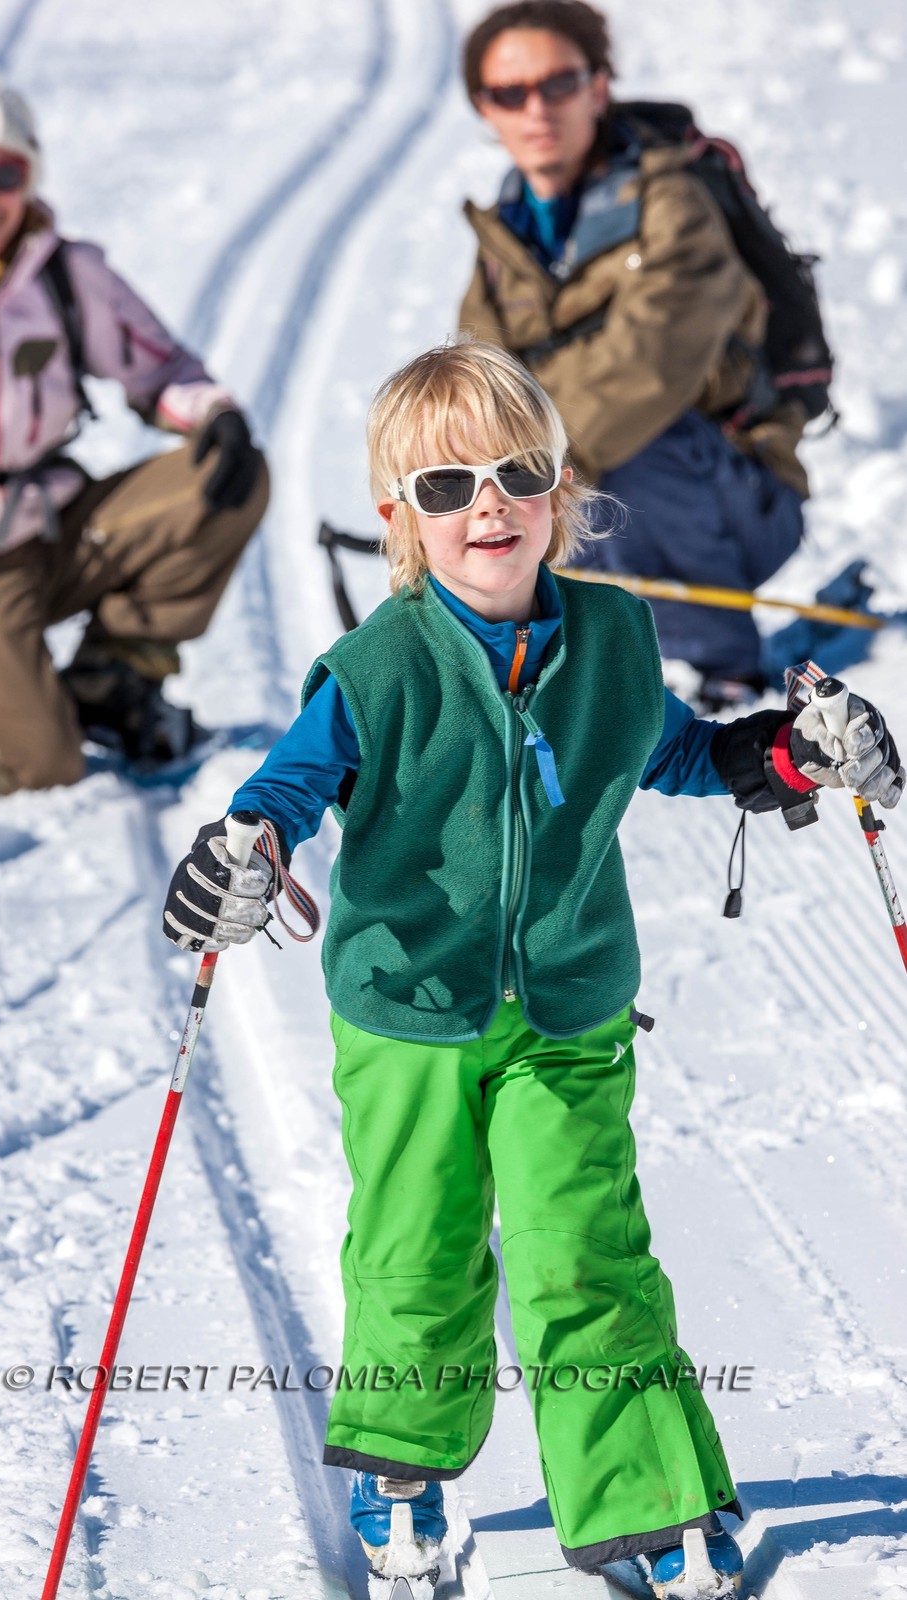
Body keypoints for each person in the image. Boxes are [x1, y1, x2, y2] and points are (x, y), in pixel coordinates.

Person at [158, 340, 902, 1592]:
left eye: (515, 471)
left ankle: (646, 1496)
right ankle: (400, 1462)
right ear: (400, 518)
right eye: (445, 486)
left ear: (560, 488)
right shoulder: (376, 669)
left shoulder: (609, 637)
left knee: (582, 1251)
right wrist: (247, 845)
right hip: (408, 1012)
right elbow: (288, 784)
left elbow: (675, 751)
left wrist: (793, 752)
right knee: (417, 1246)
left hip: (566, 1010)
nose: (486, 504)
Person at [0, 55, 268, 791]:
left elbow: (164, 369)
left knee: (230, 478)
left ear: (28, 176)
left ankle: (112, 678)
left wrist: (214, 415)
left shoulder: (66, 276)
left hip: (49, 525)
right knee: (38, 763)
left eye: (3, 173)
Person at [458, 0, 809, 708]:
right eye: (510, 93)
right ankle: (559, 665)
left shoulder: (673, 204)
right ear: (485, 109)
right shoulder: (504, 243)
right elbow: (479, 393)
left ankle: (718, 667)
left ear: (597, 87)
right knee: (498, 473)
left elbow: (645, 372)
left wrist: (519, 465)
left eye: (559, 83)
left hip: (739, 499)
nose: (537, 109)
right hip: (579, 490)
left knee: (623, 442)